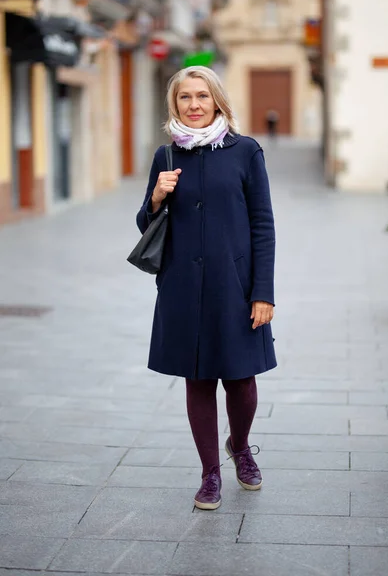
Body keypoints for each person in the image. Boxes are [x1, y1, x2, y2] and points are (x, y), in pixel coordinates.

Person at [136, 66, 276, 511]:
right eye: (184, 98)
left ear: (217, 101)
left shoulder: (245, 151)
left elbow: (263, 225)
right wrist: (156, 197)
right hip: (181, 285)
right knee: (197, 380)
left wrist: (263, 292)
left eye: (202, 96)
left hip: (234, 286)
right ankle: (210, 473)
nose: (193, 105)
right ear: (174, 105)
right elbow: (146, 225)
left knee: (241, 380)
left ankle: (240, 444)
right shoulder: (166, 156)